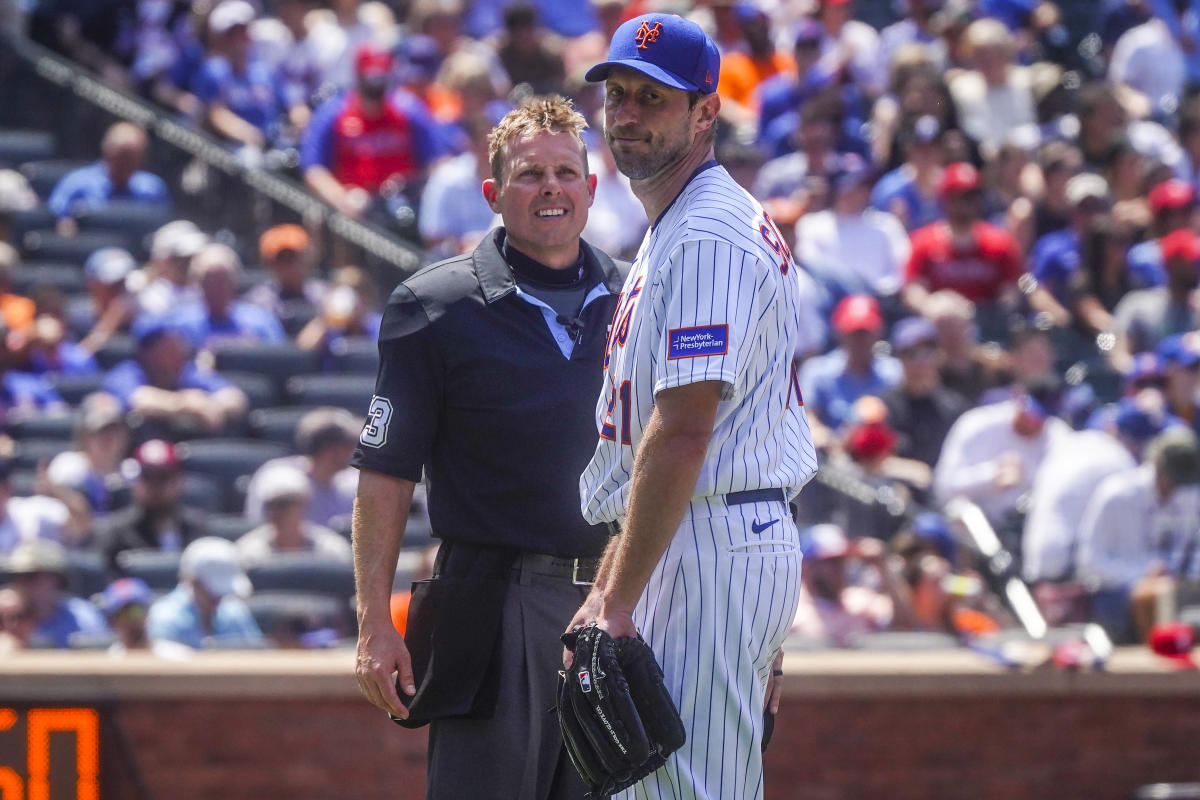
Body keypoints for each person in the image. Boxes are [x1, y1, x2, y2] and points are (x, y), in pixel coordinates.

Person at [570, 16, 817, 798]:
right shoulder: (679, 219)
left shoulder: (707, 231)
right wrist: (607, 586)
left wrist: (618, 601)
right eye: (619, 95)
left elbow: (682, 432)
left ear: (705, 112)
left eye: (655, 97)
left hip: (709, 539)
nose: (630, 114)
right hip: (704, 533)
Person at [351, 96, 625, 799]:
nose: (552, 188)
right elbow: (386, 472)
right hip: (496, 607)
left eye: (567, 172)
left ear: (592, 189)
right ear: (493, 193)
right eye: (530, 174)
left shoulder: (640, 296)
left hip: (622, 602)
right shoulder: (432, 306)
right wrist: (374, 621)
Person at [100, 315, 249, 435]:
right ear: (148, 354)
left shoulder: (187, 373)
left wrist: (211, 406)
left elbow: (235, 397)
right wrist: (184, 404)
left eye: (178, 346)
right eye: (169, 350)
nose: (179, 354)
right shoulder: (126, 373)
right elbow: (139, 400)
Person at [94, 439, 209, 575]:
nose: (155, 486)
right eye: (147, 477)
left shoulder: (198, 530)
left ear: (178, 482)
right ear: (136, 483)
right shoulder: (114, 534)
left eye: (163, 477)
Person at [243, 407, 360, 529]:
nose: (356, 451)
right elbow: (265, 532)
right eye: (350, 446)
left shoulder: (353, 483)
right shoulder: (280, 478)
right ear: (330, 451)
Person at [45, 122, 170, 229]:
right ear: (107, 151)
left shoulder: (152, 188)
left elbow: (163, 225)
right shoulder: (77, 183)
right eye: (123, 156)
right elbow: (57, 223)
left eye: (135, 157)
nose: (128, 163)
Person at [146, 536, 263, 649]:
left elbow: (257, 657)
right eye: (212, 591)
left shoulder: (235, 612)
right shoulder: (165, 619)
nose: (218, 598)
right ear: (193, 582)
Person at [235, 462, 351, 568]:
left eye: (284, 504)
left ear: (304, 504)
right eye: (270, 505)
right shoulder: (248, 551)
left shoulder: (332, 549)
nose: (276, 512)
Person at [7, 539, 109, 648]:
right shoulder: (5, 617)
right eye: (17, 577)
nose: (23, 584)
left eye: (31, 576)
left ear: (56, 580)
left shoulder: (82, 616)